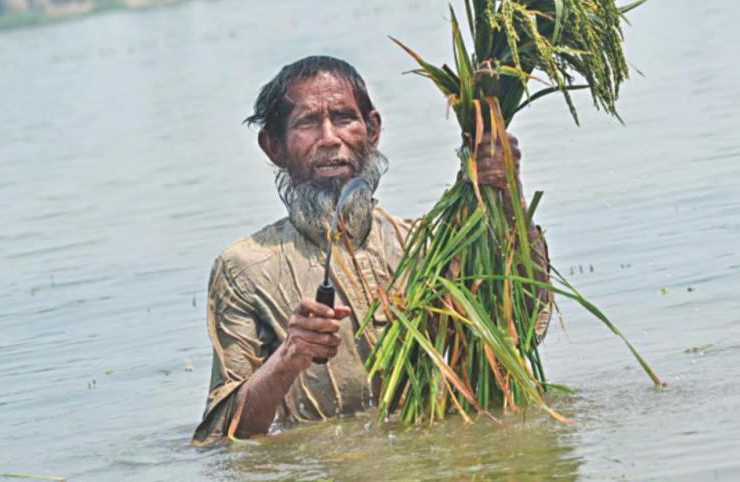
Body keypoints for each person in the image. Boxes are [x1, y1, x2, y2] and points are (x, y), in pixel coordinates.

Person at [192, 55, 550, 447]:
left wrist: (503, 195)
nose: (329, 137)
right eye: (307, 123)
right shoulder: (246, 267)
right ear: (274, 147)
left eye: (344, 117)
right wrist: (289, 357)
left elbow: (521, 323)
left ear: (372, 130)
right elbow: (222, 436)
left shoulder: (424, 245)